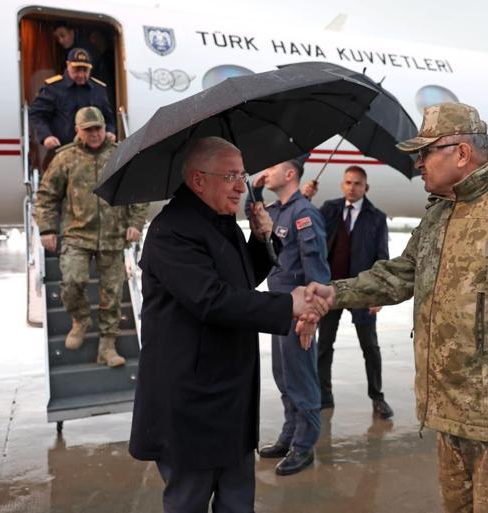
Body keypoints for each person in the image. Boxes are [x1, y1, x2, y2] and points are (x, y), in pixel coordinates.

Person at [304, 102, 488, 512]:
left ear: (461, 153)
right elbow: (402, 274)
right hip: (448, 414)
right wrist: (333, 294)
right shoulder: (442, 213)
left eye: (426, 152)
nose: (419, 163)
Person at [128, 137, 329, 513]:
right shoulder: (171, 231)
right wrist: (287, 304)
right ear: (198, 180)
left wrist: (261, 238)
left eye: (242, 174)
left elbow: (240, 282)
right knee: (188, 500)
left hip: (230, 399)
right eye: (230, 176)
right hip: (191, 402)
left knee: (238, 501)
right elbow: (211, 299)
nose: (242, 185)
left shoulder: (222, 223)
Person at [35, 107, 148, 367]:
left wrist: (135, 224)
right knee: (73, 281)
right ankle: (81, 318)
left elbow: (137, 193)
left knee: (112, 294)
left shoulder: (118, 155)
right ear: (78, 131)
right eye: (88, 130)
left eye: (98, 128)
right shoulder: (65, 159)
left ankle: (107, 346)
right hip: (77, 234)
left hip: (113, 235)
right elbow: (46, 196)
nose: (95, 134)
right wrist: (47, 229)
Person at [247, 156, 331, 476]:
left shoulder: (304, 213)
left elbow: (317, 272)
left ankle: (304, 446)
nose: (265, 171)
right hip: (278, 310)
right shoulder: (276, 210)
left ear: (290, 173)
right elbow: (257, 224)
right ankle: (289, 435)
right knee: (284, 377)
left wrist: (310, 316)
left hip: (298, 313)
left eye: (272, 167)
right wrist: (253, 194)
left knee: (301, 380)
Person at [302, 166, 393, 419]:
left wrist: (379, 295)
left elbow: (382, 259)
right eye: (348, 182)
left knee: (370, 347)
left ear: (366, 188)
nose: (352, 187)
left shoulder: (376, 217)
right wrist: (305, 198)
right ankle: (324, 395)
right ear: (342, 185)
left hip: (363, 291)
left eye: (358, 184)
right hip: (330, 289)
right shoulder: (329, 209)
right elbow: (307, 224)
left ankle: (377, 398)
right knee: (324, 346)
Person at [29, 47, 116, 154]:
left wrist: (110, 132)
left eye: (85, 70)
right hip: (62, 151)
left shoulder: (98, 89)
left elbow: (109, 118)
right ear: (67, 65)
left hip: (94, 153)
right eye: (77, 69)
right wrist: (46, 136)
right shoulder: (53, 88)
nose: (81, 74)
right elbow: (37, 115)